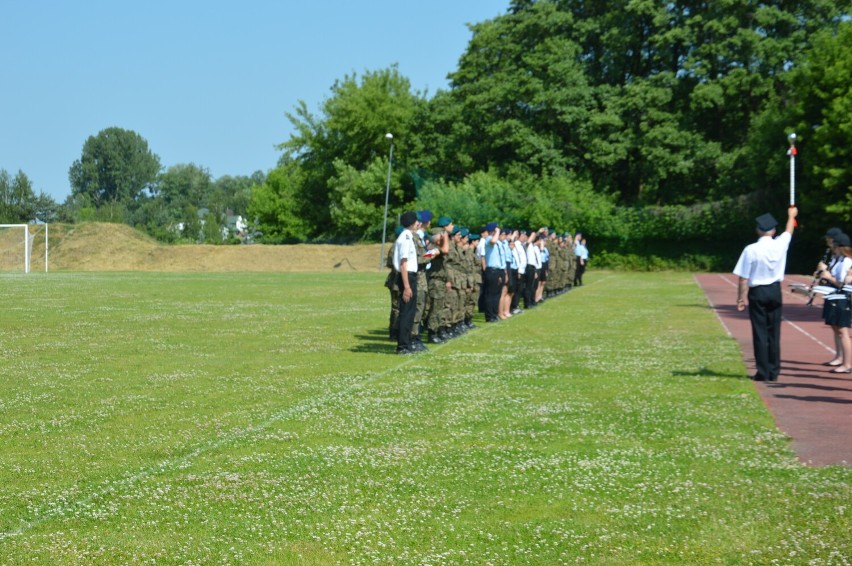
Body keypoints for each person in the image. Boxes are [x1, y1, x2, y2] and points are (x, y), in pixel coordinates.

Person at [733, 207, 798, 382]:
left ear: (757, 230)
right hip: (775, 290)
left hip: (758, 291)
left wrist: (741, 298)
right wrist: (791, 216)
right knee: (774, 331)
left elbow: (743, 278)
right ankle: (774, 370)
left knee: (760, 332)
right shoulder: (780, 244)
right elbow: (789, 230)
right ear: (773, 230)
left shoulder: (750, 249)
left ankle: (763, 371)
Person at [816, 232, 852, 373]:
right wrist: (822, 274)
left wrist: (828, 277)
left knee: (843, 332)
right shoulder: (839, 260)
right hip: (834, 296)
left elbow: (843, 284)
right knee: (837, 329)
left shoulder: (847, 262)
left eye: (834, 245)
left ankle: (847, 364)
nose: (831, 248)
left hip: (843, 299)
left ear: (839, 247)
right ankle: (840, 358)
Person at [393, 211, 421, 355]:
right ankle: (402, 346)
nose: (418, 224)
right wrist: (407, 287)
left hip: (411, 276)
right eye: (417, 221)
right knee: (406, 313)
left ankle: (407, 343)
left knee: (410, 313)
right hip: (407, 277)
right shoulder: (405, 237)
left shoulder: (409, 236)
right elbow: (403, 263)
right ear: (412, 222)